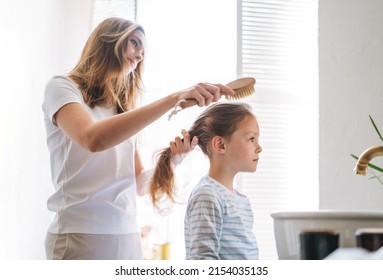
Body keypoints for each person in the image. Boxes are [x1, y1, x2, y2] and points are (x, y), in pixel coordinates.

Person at [41, 17, 234, 260]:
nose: (140, 54)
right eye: (134, 43)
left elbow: (139, 184)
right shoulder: (61, 87)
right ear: (108, 41)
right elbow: (92, 139)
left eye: (142, 49)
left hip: (127, 236)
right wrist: (173, 98)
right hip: (78, 234)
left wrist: (172, 159)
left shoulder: (121, 110)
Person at [149, 102, 262, 260]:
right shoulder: (208, 196)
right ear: (220, 145)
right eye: (251, 139)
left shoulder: (237, 198)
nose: (259, 148)